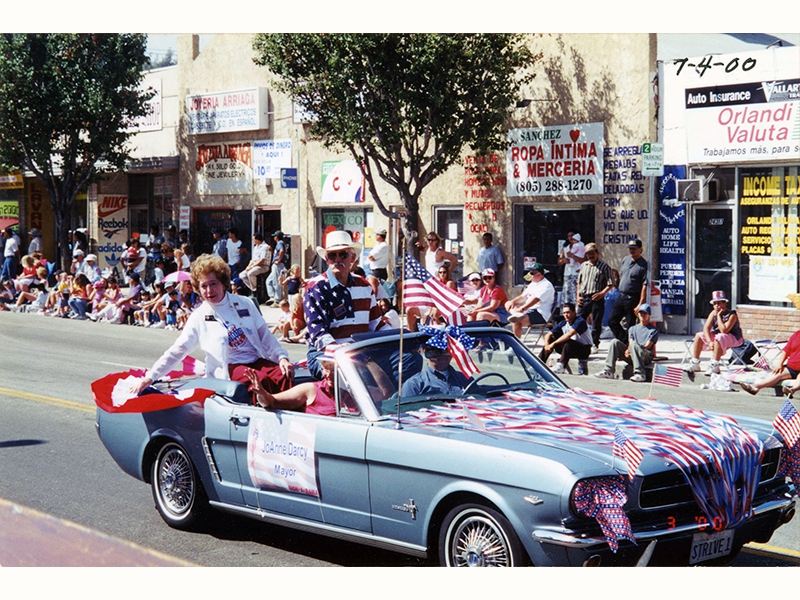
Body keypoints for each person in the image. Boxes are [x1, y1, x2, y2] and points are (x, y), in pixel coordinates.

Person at [130, 254, 294, 400]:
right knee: (261, 381)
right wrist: (150, 377)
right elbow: (178, 350)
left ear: (223, 283)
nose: (209, 291)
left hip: (255, 360)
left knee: (283, 375)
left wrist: (282, 357)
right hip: (229, 368)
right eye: (204, 286)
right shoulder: (198, 316)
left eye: (213, 284)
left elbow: (265, 335)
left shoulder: (245, 303)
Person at [303, 230, 383, 379]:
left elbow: (377, 325)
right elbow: (318, 332)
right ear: (326, 259)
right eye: (332, 255)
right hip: (324, 353)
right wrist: (341, 350)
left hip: (360, 351)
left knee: (410, 359)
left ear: (352, 257)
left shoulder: (364, 285)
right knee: (359, 371)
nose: (337, 259)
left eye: (343, 254)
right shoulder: (316, 287)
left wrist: (399, 341)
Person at [245, 354, 337, 416]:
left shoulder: (346, 393)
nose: (327, 375)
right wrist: (262, 394)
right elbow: (272, 402)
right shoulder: (311, 389)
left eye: (333, 371)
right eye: (325, 369)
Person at [683, 290, 744, 375]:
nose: (716, 306)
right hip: (719, 336)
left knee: (720, 337)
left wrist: (719, 316)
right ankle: (695, 362)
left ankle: (715, 365)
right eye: (714, 304)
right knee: (699, 335)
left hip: (734, 338)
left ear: (725, 303)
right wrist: (709, 341)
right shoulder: (713, 313)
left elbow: (724, 330)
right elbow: (706, 328)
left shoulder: (732, 314)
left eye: (719, 303)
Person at [595, 303, 659, 382]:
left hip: (645, 356)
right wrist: (628, 351)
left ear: (649, 314)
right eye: (641, 313)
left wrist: (632, 349)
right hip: (632, 353)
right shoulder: (632, 329)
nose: (642, 315)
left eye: (645, 313)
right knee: (615, 342)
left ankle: (640, 374)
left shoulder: (654, 330)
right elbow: (630, 342)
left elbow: (647, 346)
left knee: (634, 345)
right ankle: (608, 371)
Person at [575, 242, 614, 351]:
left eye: (592, 253)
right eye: (588, 254)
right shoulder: (584, 265)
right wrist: (578, 296)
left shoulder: (604, 267)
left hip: (597, 297)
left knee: (596, 322)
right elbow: (579, 282)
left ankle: (594, 344)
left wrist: (602, 293)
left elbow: (611, 284)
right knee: (578, 320)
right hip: (584, 297)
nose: (590, 256)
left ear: (597, 253)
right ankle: (578, 341)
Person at [608, 238, 648, 344]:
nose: (631, 250)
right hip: (621, 296)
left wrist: (640, 303)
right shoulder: (625, 260)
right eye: (630, 248)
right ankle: (625, 342)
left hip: (633, 298)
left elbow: (645, 285)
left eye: (634, 248)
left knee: (631, 325)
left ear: (640, 250)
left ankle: (630, 346)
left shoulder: (644, 265)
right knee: (612, 320)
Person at [740, 329, 800, 396]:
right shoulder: (796, 334)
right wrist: (779, 364)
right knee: (777, 373)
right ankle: (755, 387)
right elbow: (786, 351)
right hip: (792, 367)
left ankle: (792, 390)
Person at [538, 302, 593, 375]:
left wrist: (553, 344)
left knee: (568, 343)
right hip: (569, 349)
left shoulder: (580, 321)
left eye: (568, 312)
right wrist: (547, 345)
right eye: (564, 313)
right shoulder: (563, 322)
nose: (566, 315)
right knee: (551, 339)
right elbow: (548, 334)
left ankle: (561, 366)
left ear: (574, 312)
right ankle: (538, 363)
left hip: (584, 350)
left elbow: (569, 335)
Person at [506, 263, 556, 339]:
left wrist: (522, 308)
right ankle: (515, 313)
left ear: (539, 274)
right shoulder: (533, 284)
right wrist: (512, 302)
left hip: (540, 313)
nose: (529, 275)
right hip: (529, 310)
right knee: (508, 304)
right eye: (529, 272)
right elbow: (523, 297)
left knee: (516, 320)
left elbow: (535, 300)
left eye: (532, 273)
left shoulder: (546, 285)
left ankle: (516, 344)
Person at [404, 343, 471, 396]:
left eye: (447, 351)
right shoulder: (414, 384)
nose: (442, 356)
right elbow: (406, 408)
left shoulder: (466, 380)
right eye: (435, 351)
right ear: (424, 351)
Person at [557, 231, 585, 305]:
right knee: (567, 294)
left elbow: (584, 261)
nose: (571, 238)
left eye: (572, 235)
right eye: (569, 236)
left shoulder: (581, 246)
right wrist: (563, 260)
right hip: (567, 273)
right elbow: (559, 261)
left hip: (577, 273)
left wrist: (573, 256)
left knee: (576, 293)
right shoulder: (566, 247)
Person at [266, 230, 286, 305]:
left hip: (278, 265)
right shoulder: (279, 244)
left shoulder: (280, 243)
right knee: (269, 281)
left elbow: (281, 251)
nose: (274, 237)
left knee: (276, 282)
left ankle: (277, 300)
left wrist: (278, 261)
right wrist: (271, 251)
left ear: (277, 237)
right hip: (276, 265)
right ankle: (272, 297)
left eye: (274, 236)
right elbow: (277, 254)